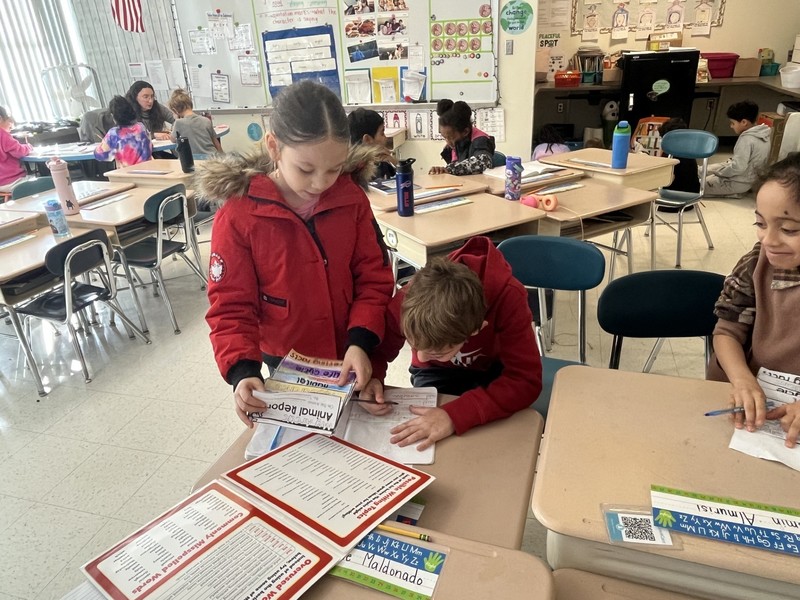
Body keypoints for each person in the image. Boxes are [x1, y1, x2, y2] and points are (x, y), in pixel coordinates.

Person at [197, 80, 394, 427]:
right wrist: (243, 371)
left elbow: (373, 279)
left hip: (351, 348)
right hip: (285, 361)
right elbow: (230, 305)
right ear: (274, 147)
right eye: (305, 169)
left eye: (334, 168)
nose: (321, 182)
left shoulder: (351, 199)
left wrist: (361, 342)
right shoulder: (240, 214)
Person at [358, 236, 543, 450]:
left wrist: (453, 416)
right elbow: (379, 348)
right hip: (439, 373)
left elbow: (525, 380)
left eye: (437, 353)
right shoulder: (410, 299)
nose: (421, 357)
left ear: (476, 329)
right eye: (414, 345)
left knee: (492, 443)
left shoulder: (509, 297)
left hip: (493, 370)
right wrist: (373, 376)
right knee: (433, 441)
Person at [706, 153, 800, 448]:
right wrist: (743, 380)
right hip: (758, 402)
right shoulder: (757, 263)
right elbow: (726, 332)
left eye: (789, 229)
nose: (768, 240)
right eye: (760, 223)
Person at [705, 100, 771, 198]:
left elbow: (738, 167)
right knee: (704, 169)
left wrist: (719, 173)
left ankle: (733, 193)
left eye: (732, 123)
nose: (731, 126)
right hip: (749, 179)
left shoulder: (746, 139)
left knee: (696, 186)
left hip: (738, 182)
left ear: (744, 122)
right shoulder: (764, 133)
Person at [429, 99, 496, 176]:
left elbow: (484, 162)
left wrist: (450, 169)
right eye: (445, 137)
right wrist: (441, 170)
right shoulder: (455, 144)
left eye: (451, 137)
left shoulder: (481, 140)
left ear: (465, 132)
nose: (448, 142)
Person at [93, 96, 153, 167]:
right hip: (148, 169)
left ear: (113, 115)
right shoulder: (141, 127)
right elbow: (150, 145)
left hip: (127, 172)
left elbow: (101, 155)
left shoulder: (114, 134)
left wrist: (100, 146)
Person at [168, 88, 222, 158]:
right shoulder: (206, 120)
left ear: (175, 110)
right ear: (191, 104)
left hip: (194, 160)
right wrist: (223, 158)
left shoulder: (178, 123)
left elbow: (172, 140)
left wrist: (176, 118)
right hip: (212, 157)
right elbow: (216, 143)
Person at [348, 108, 396, 179]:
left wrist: (394, 162)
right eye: (382, 133)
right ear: (367, 139)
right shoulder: (354, 172)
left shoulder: (382, 162)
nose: (386, 138)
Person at [0, 106, 33, 190]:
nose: (11, 125)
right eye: (9, 121)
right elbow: (19, 152)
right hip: (12, 181)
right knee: (47, 182)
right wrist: (28, 147)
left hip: (2, 184)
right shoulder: (2, 134)